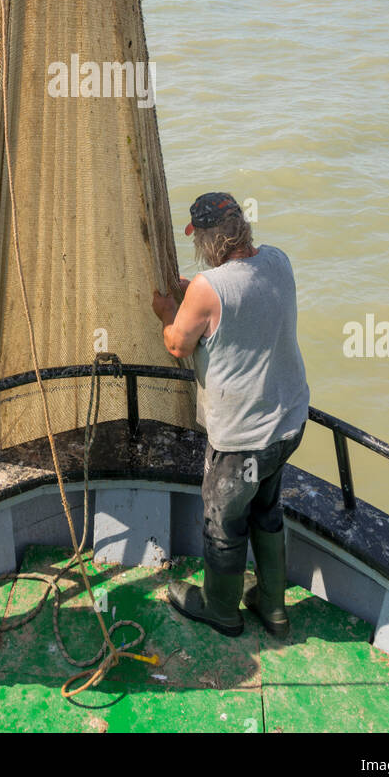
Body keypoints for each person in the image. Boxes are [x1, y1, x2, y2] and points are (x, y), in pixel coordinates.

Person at [151, 192, 309, 639]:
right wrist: (195, 297)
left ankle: (221, 608)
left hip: (242, 440)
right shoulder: (278, 260)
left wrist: (169, 311)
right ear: (241, 226)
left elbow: (178, 344)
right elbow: (244, 313)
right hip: (288, 421)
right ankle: (273, 607)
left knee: (223, 520)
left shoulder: (206, 287)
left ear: (205, 238)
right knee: (266, 507)